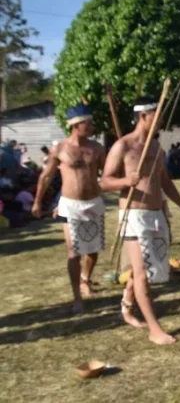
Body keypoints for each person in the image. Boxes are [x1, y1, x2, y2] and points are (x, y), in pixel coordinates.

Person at [101, 96, 180, 345]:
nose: (161, 119)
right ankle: (155, 329)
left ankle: (127, 306)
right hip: (133, 215)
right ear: (144, 116)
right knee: (142, 273)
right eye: (157, 114)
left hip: (156, 214)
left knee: (149, 269)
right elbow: (104, 181)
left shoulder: (156, 147)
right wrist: (125, 181)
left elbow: (164, 182)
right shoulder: (123, 146)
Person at [31, 104, 105, 313]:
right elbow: (45, 176)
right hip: (69, 205)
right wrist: (38, 201)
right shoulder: (60, 149)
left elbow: (108, 173)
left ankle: (86, 279)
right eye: (87, 124)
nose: (91, 127)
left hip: (94, 203)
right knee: (74, 252)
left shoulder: (97, 148)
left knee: (93, 250)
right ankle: (77, 298)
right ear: (76, 125)